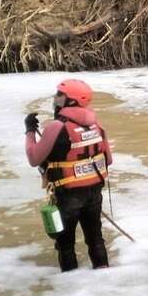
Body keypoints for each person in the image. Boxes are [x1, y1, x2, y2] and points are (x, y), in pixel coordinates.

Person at [25, 79, 113, 272]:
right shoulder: (96, 125)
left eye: (59, 95)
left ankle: (70, 284)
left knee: (65, 245)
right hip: (94, 193)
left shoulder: (56, 127)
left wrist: (30, 131)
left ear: (71, 101)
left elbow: (33, 158)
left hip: (68, 195)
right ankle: (104, 274)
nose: (55, 98)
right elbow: (108, 159)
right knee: (96, 239)